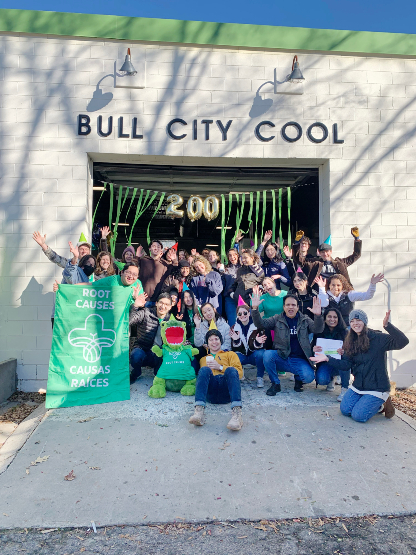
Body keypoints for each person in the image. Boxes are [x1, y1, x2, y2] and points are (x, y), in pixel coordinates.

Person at [310, 309, 409, 423]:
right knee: (345, 410)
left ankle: (381, 404)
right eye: (352, 321)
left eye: (358, 320)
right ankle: (368, 402)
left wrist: (387, 325)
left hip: (377, 387)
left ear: (364, 321)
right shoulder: (350, 341)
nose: (355, 323)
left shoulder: (378, 338)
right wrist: (327, 358)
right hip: (359, 385)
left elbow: (403, 341)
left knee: (358, 416)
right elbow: (346, 365)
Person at [251, 292, 324, 395]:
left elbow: (318, 329)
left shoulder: (304, 319)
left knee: (309, 377)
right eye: (288, 305)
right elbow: (260, 324)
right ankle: (275, 383)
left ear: (298, 307)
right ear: (284, 307)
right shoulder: (277, 319)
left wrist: (318, 315)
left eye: (293, 305)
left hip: (299, 359)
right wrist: (255, 309)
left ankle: (298, 379)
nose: (291, 307)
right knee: (267, 355)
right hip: (282, 356)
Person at [189, 328, 244, 431]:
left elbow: (239, 374)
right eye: (211, 340)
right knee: (204, 370)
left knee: (231, 370)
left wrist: (220, 367)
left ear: (221, 341)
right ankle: (199, 412)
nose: (214, 342)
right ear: (207, 344)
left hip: (227, 391)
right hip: (211, 394)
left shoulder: (230, 354)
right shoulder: (203, 359)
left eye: (216, 339)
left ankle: (237, 415)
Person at [284, 228, 362, 288]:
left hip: (337, 291)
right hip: (320, 292)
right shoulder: (315, 263)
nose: (325, 254)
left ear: (331, 252)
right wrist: (297, 243)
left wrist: (357, 239)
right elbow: (299, 260)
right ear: (319, 253)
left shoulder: (340, 262)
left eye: (327, 251)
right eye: (322, 252)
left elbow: (356, 255)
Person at [129, 292, 173, 383]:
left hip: (159, 353)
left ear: (170, 307)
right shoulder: (146, 313)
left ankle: (158, 373)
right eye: (161, 302)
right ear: (156, 303)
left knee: (159, 375)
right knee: (135, 356)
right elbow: (129, 321)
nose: (163, 306)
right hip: (143, 349)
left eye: (166, 304)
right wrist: (135, 306)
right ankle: (136, 372)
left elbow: (179, 337)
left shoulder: (171, 320)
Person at [317, 273, 384, 326]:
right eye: (333, 285)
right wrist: (321, 288)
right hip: (330, 327)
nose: (335, 287)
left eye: (338, 285)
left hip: (347, 326)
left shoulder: (349, 295)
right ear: (329, 285)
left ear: (343, 285)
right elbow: (323, 303)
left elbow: (367, 295)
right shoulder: (324, 295)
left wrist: (373, 284)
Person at [312, 307, 348, 400]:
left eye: (335, 317)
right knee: (322, 380)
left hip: (339, 363)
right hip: (325, 363)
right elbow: (312, 347)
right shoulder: (319, 331)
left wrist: (344, 351)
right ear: (325, 318)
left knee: (345, 362)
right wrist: (314, 349)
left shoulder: (345, 332)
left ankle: (344, 388)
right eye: (329, 317)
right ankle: (331, 378)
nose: (332, 319)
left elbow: (351, 351)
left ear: (339, 319)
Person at [230, 302, 269, 388]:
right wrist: (236, 341)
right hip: (242, 354)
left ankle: (260, 377)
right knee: (234, 356)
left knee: (261, 354)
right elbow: (234, 348)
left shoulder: (258, 326)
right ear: (237, 315)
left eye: (245, 313)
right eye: (239, 313)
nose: (242, 315)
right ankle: (239, 375)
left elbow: (263, 345)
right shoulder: (234, 328)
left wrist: (257, 343)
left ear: (249, 313)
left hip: (254, 354)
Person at [137, 240, 177, 307]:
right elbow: (132, 268)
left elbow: (176, 272)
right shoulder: (143, 261)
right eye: (154, 246)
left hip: (159, 301)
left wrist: (174, 260)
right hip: (143, 300)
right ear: (150, 248)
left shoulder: (166, 264)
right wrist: (137, 257)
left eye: (158, 247)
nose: (156, 248)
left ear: (161, 250)